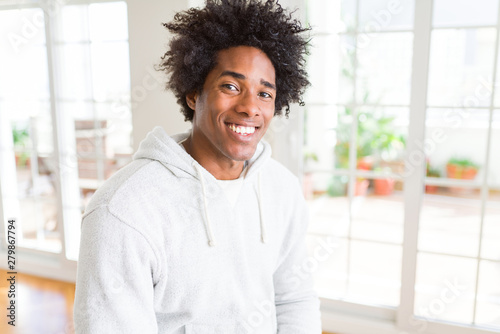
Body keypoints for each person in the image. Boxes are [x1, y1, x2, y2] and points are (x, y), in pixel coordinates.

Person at [74, 0, 321, 333]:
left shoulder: (282, 188)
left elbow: (295, 299)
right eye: (231, 86)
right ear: (193, 93)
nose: (250, 107)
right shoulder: (122, 209)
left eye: (265, 93)